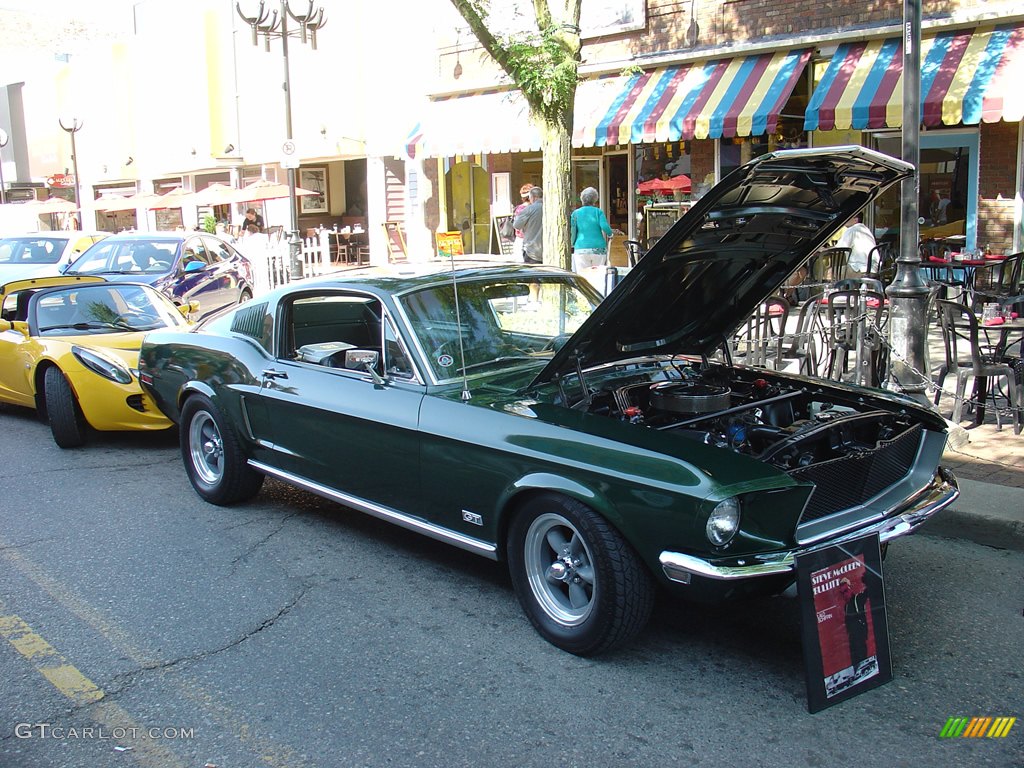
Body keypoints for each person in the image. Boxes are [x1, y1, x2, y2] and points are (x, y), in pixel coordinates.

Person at [570, 187, 613, 272]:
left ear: (582, 199)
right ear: (595, 199)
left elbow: (573, 231)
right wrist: (610, 234)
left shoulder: (575, 213)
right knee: (598, 274)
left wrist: (572, 243)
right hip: (598, 248)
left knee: (583, 276)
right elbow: (604, 226)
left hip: (581, 248)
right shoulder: (598, 212)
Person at [513, 186, 543, 265]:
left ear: (533, 197)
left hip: (532, 250)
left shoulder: (529, 209)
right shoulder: (550, 208)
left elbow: (516, 225)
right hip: (548, 250)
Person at [511, 183, 533, 262]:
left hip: (520, 239)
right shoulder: (535, 209)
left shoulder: (519, 209)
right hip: (532, 240)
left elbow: (516, 225)